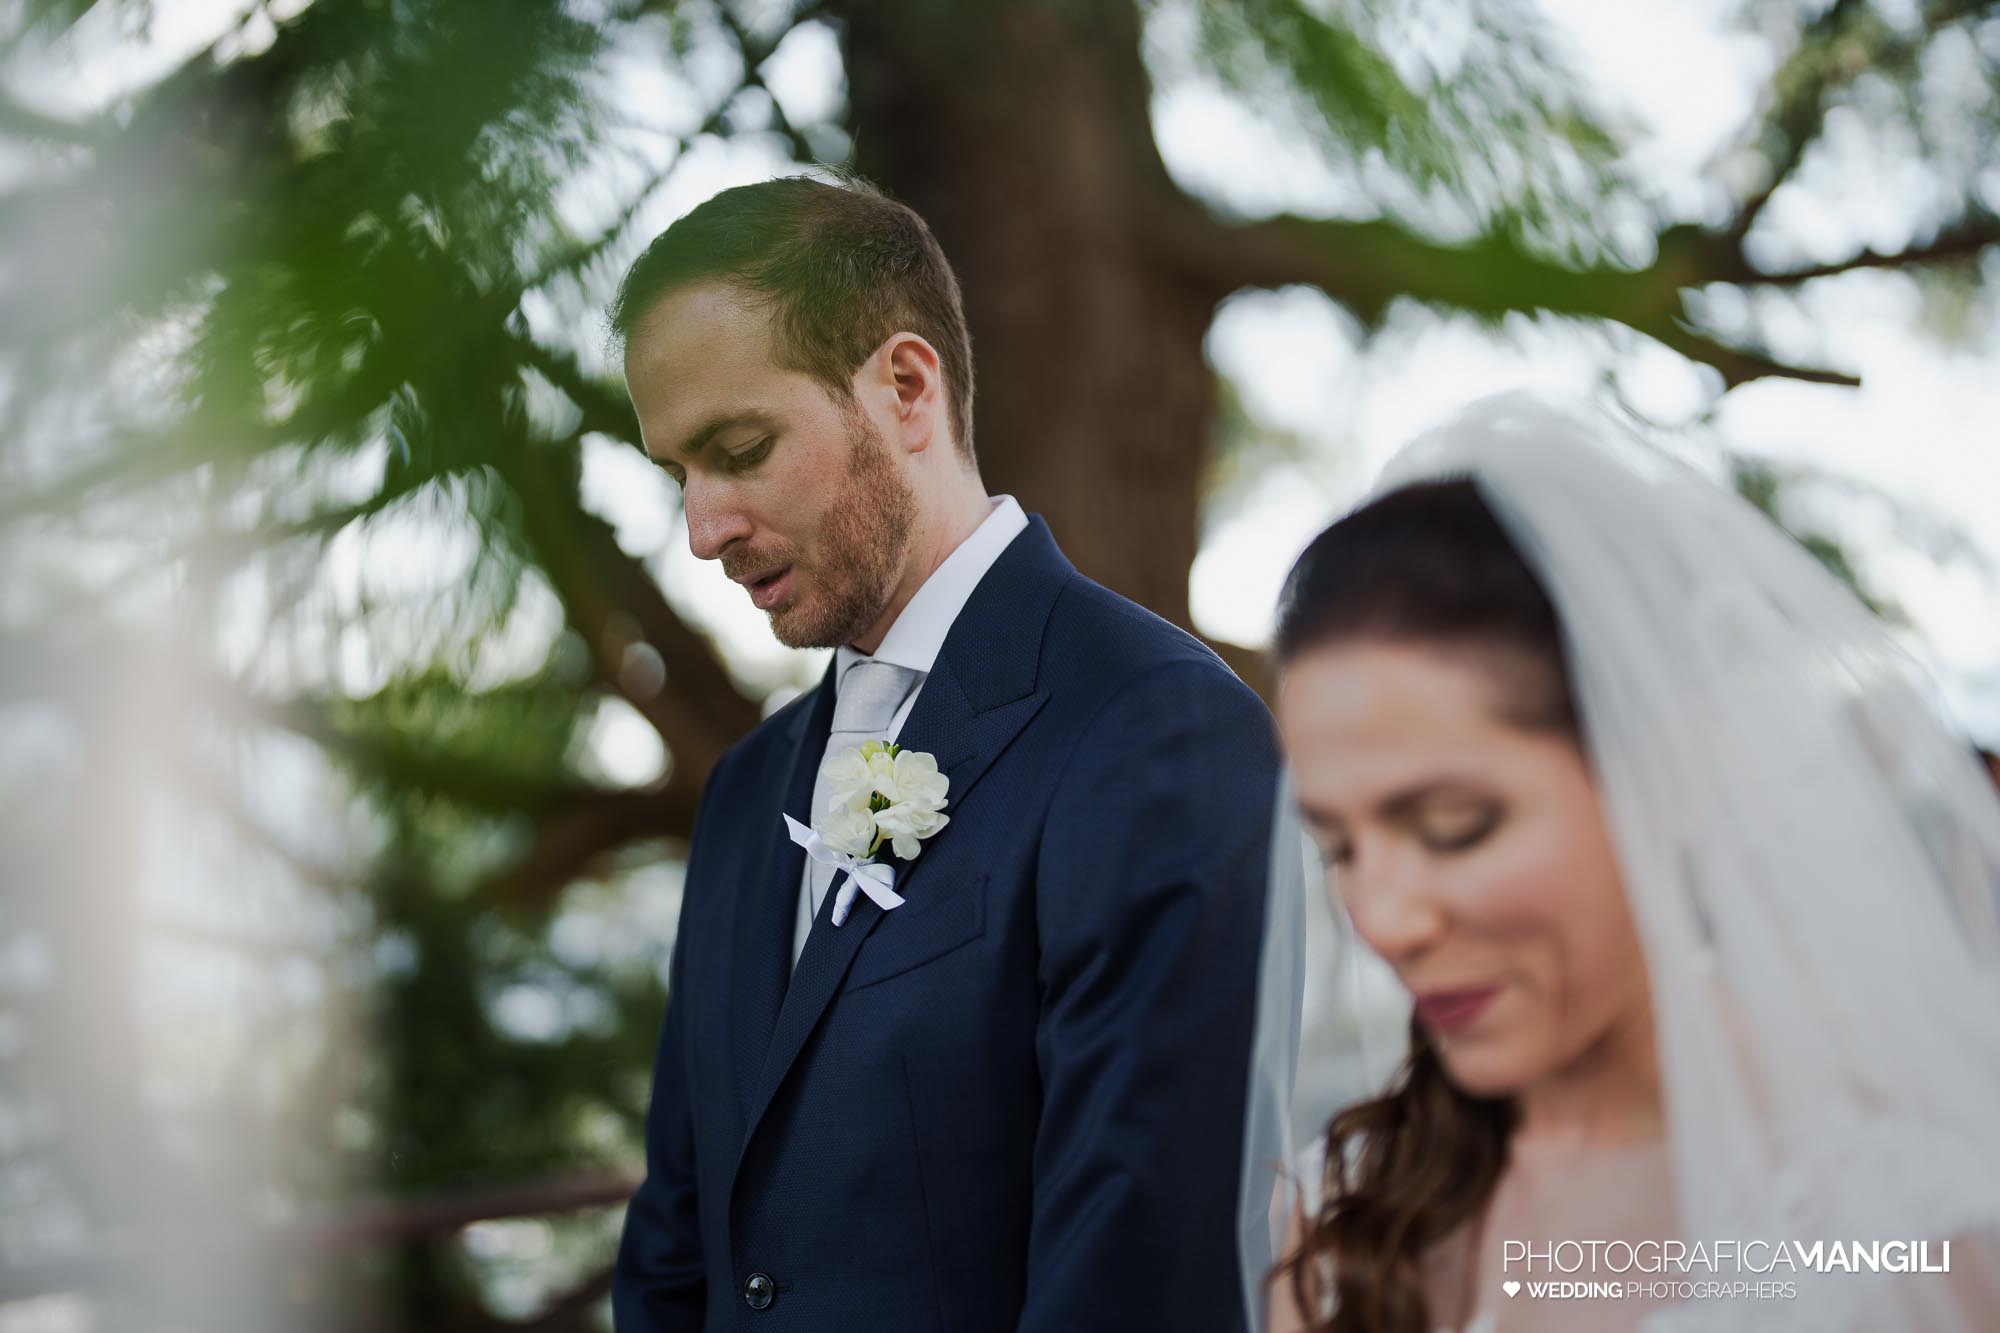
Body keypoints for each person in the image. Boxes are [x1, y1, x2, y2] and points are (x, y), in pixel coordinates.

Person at [608, 174, 1282, 1332]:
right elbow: (678, 1230)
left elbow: (1134, 1271)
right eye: (679, 473)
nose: (703, 530)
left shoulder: (1153, 728)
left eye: (740, 448)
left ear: (906, 388)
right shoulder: (746, 791)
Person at [1257, 396, 2000, 1332]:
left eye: (1456, 826)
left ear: (1670, 775)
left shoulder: (1908, 1237)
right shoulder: (1348, 1211)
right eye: (1338, 846)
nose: (1385, 919)